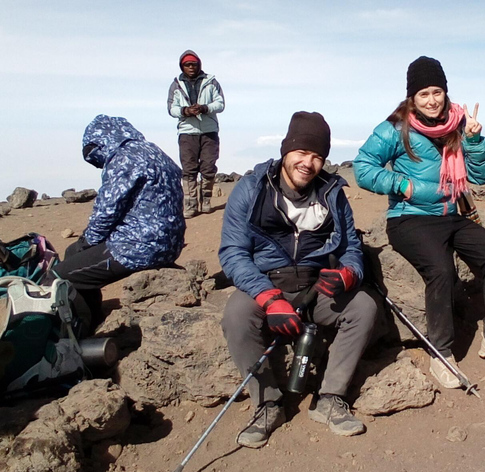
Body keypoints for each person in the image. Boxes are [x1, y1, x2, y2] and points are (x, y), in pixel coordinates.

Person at [353, 56, 485, 389]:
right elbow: (363, 168)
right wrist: (404, 186)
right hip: (409, 219)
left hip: (452, 215)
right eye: (423, 93)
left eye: (437, 91)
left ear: (445, 92)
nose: (431, 100)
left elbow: (483, 176)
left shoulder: (458, 124)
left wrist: (473, 140)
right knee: (441, 270)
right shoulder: (396, 128)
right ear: (413, 97)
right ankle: (441, 354)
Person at [219, 111, 376, 448]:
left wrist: (349, 274)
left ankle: (330, 398)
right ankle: (267, 403)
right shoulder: (251, 190)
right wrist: (268, 298)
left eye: (318, 156)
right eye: (302, 152)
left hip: (316, 286)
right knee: (236, 315)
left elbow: (351, 247)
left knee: (362, 306)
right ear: (285, 150)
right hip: (265, 282)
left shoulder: (332, 193)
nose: (308, 162)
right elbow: (232, 252)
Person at [45, 115, 185, 328]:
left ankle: (83, 331)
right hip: (168, 243)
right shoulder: (154, 151)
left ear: (100, 143)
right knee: (74, 254)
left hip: (138, 247)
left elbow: (107, 211)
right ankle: (94, 317)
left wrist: (87, 240)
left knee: (59, 277)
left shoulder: (124, 159)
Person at [167, 49, 225, 218]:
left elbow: (220, 103)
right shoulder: (176, 84)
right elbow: (171, 108)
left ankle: (205, 200)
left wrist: (205, 108)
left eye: (194, 64)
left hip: (209, 131)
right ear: (182, 66)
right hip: (187, 131)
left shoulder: (211, 82)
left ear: (199, 65)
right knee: (189, 168)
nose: (191, 67)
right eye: (187, 64)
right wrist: (185, 111)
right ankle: (190, 204)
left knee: (208, 167)